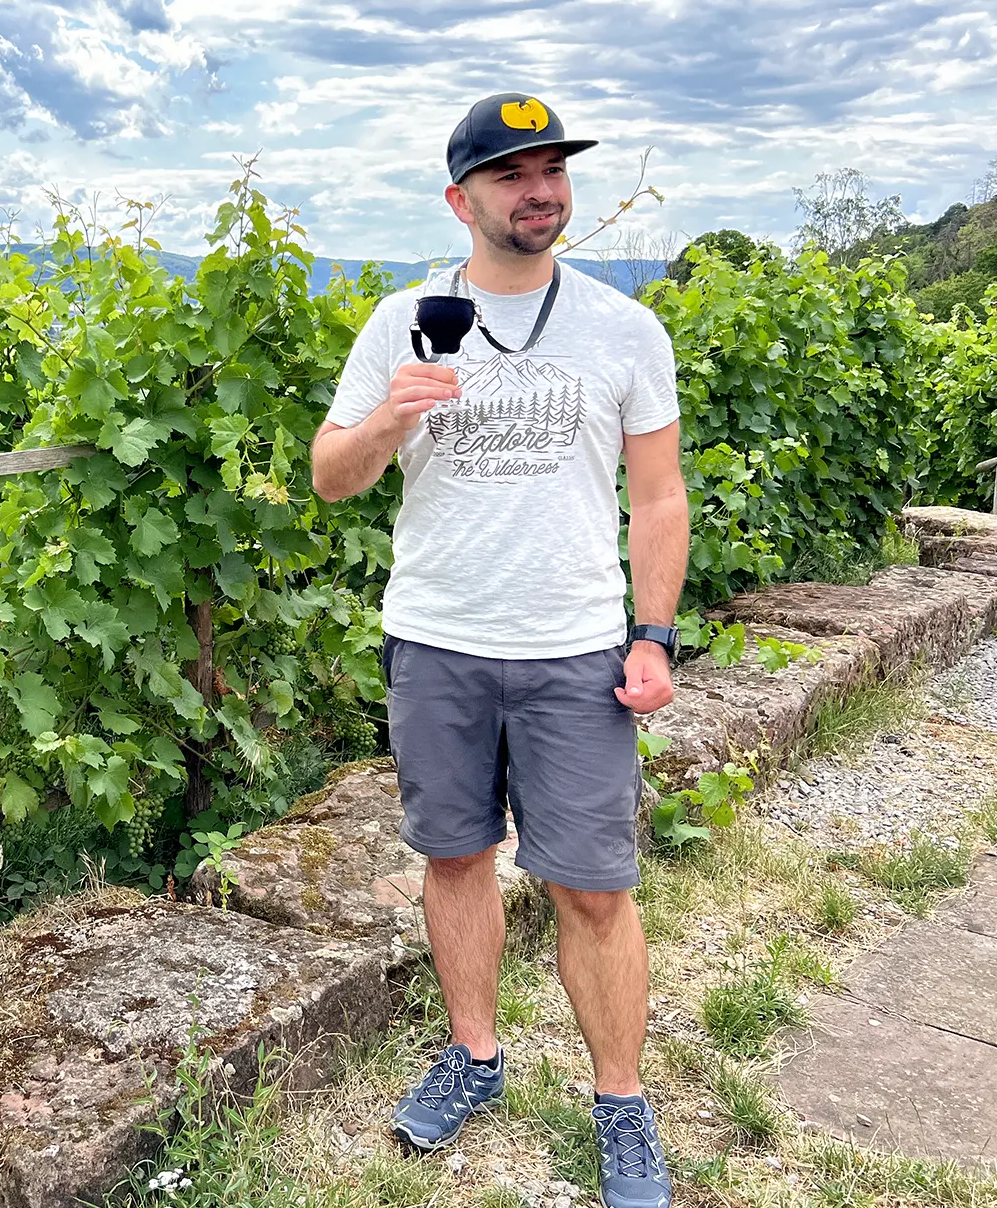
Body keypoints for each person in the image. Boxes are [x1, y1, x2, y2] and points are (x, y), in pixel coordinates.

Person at [311, 92, 689, 1208]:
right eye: (513, 173)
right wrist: (390, 417)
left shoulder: (625, 329)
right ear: (459, 198)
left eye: (553, 170)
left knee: (591, 887)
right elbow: (332, 476)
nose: (541, 190)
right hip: (434, 641)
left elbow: (657, 497)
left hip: (574, 649)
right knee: (453, 859)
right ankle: (474, 1056)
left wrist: (653, 633)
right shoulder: (399, 321)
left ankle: (619, 1101)